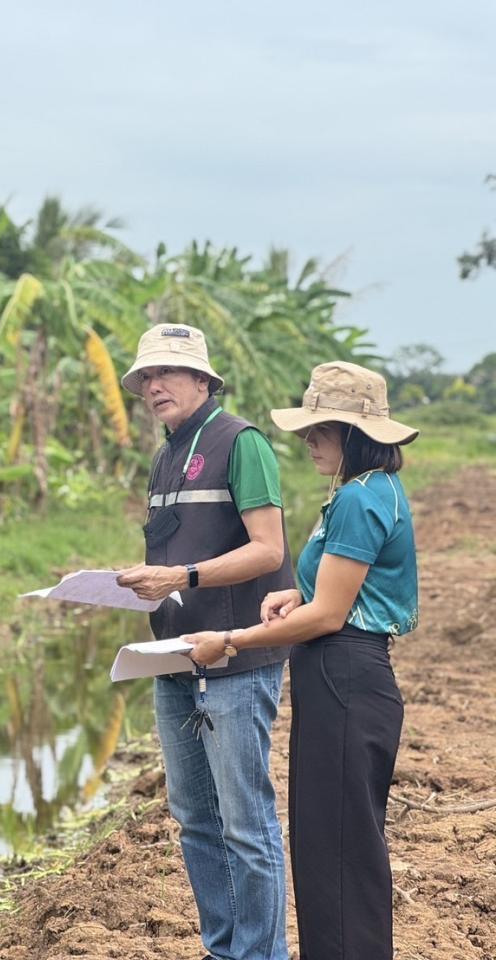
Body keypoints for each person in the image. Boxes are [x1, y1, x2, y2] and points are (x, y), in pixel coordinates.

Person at [187, 361, 418, 960]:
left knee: (338, 851)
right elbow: (335, 596)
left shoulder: (360, 500)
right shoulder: (361, 493)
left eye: (321, 429)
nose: (307, 440)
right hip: (338, 677)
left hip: (346, 674)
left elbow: (330, 617)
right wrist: (300, 593)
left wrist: (232, 639)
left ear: (356, 433)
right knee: (329, 845)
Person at [115, 323, 293, 960]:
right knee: (195, 820)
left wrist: (182, 576)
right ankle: (225, 949)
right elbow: (175, 551)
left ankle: (262, 953)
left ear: (203, 379)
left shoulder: (241, 443)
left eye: (167, 373)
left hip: (236, 658)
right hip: (171, 660)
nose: (153, 386)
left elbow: (269, 549)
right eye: (145, 379)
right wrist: (137, 582)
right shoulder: (166, 454)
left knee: (246, 826)